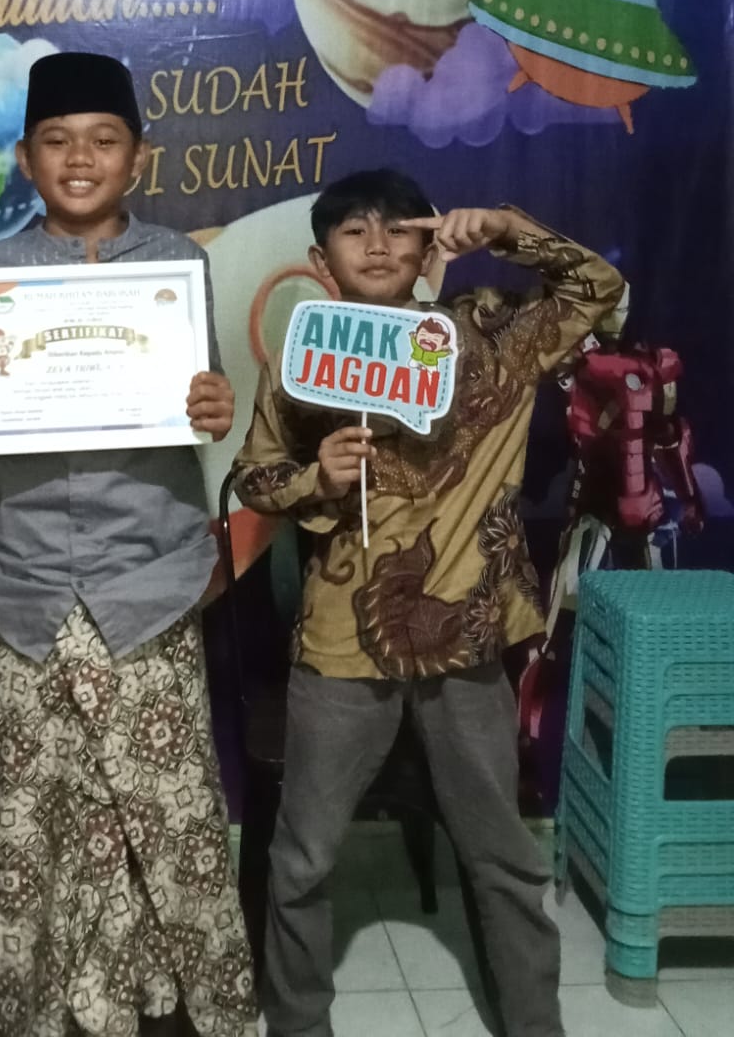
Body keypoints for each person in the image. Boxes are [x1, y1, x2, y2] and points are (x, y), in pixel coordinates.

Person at [232, 169, 625, 1037]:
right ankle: (297, 1025)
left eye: (397, 229)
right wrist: (314, 478)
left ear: (426, 244)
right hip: (341, 642)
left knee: (503, 857)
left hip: (468, 638)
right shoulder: (304, 362)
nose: (377, 245)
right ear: (320, 260)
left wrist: (510, 229)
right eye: (353, 231)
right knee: (302, 860)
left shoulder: (488, 333)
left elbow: (599, 288)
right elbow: (252, 477)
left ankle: (535, 1024)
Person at [0, 51, 257, 1037]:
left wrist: (212, 404)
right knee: (27, 817)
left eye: (104, 140)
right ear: (26, 159)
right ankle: (26, 1003)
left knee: (163, 820)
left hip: (147, 582)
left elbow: (198, 400)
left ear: (138, 157)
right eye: (58, 141)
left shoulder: (176, 263)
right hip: (25, 589)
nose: (80, 158)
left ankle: (159, 1001)